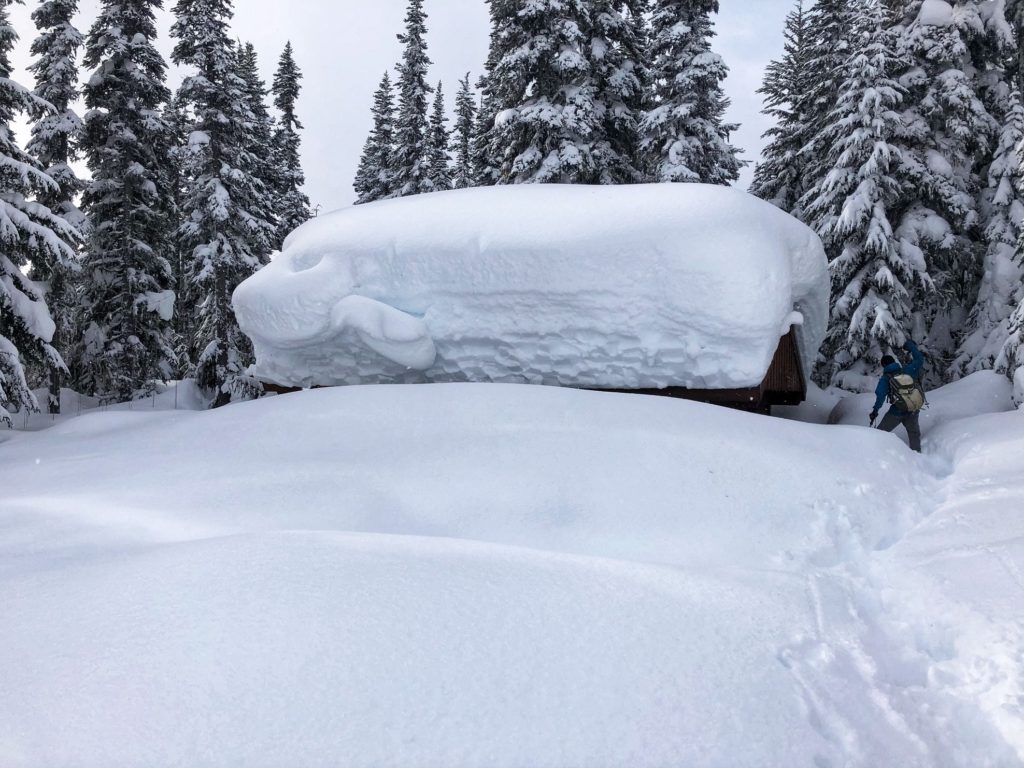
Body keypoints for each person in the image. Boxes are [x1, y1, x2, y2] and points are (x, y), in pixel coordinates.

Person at [870, 339, 926, 452]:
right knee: (914, 434)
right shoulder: (908, 370)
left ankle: (874, 453)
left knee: (880, 433)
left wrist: (875, 411)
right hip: (912, 408)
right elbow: (920, 359)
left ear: (884, 365)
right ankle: (917, 456)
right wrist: (911, 347)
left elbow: (880, 396)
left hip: (897, 411)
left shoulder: (886, 379)